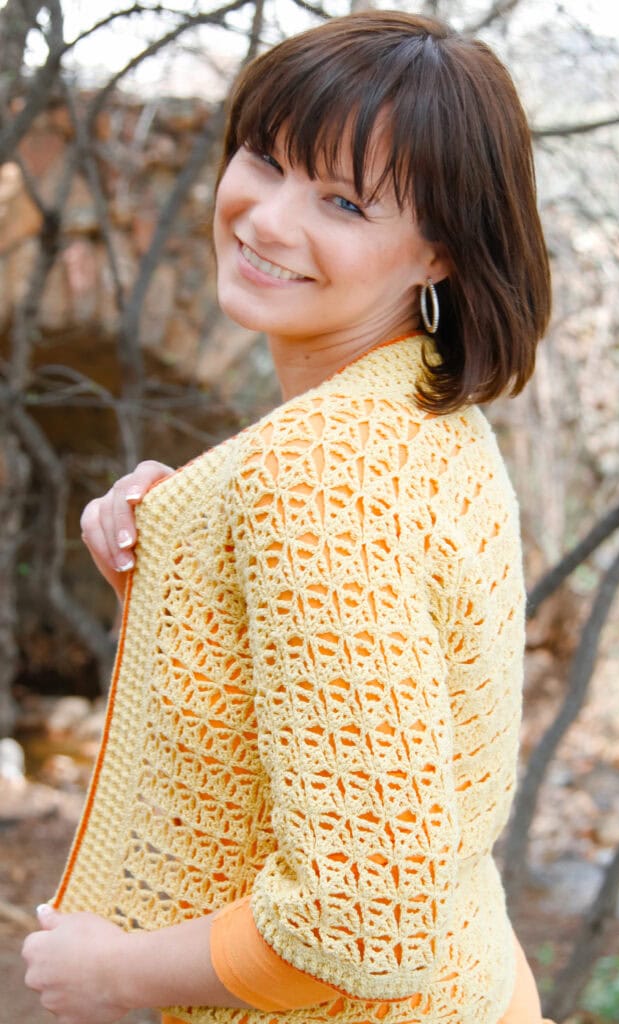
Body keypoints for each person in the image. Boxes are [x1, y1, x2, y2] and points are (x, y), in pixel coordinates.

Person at [22, 10, 555, 1024]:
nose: (267, 219)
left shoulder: (315, 473)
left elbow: (364, 920)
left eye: (343, 201)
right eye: (265, 158)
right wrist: (183, 548)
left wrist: (114, 974)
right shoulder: (422, 416)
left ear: (438, 252)